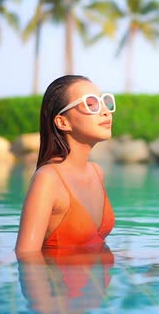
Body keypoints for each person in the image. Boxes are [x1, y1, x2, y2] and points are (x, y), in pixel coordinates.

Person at [15, 75, 116, 253]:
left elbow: (91, 246)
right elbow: (26, 257)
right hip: (60, 281)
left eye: (104, 101)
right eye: (91, 104)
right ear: (63, 122)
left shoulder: (96, 172)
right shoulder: (48, 179)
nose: (106, 111)